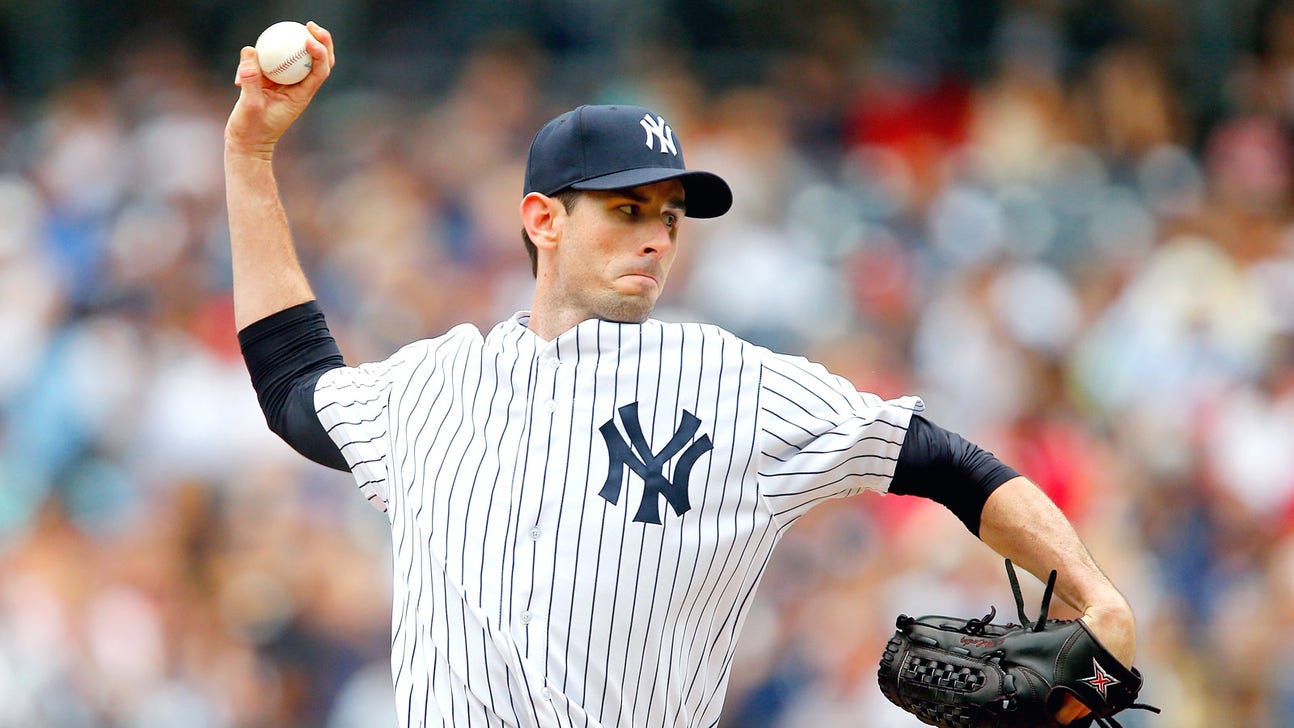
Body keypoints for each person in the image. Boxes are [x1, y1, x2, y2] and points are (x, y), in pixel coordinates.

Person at [225, 23, 1137, 728]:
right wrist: (251, 157)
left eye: (670, 213)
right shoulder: (432, 387)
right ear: (543, 220)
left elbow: (947, 463)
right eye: (627, 209)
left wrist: (1096, 594)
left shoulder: (736, 384)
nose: (657, 234)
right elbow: (294, 385)